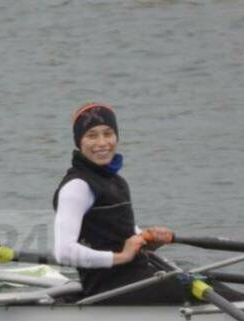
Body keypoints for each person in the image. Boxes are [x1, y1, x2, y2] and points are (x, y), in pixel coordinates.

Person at [52, 103, 188, 304]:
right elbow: (64, 252)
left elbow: (126, 239)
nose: (102, 142)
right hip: (109, 288)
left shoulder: (115, 182)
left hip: (136, 275)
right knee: (197, 291)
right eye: (92, 135)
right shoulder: (77, 187)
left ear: (116, 137)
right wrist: (121, 257)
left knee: (204, 283)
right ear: (79, 142)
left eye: (108, 134)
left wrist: (150, 240)